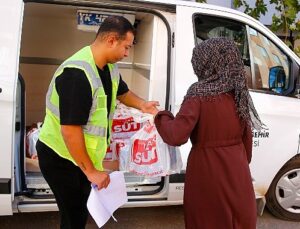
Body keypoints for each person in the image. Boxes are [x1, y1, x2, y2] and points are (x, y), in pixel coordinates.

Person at [36, 16, 158, 229]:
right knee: (73, 216)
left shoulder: (109, 67)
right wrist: (91, 172)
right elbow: (70, 131)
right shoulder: (78, 74)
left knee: (80, 211)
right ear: (111, 40)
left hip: (79, 157)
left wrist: (143, 105)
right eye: (126, 47)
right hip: (60, 157)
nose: (127, 54)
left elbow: (122, 92)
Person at [154, 38, 264, 229]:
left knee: (207, 220)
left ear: (205, 63)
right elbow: (247, 143)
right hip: (237, 169)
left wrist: (161, 116)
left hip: (206, 170)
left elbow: (175, 135)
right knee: (237, 219)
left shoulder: (199, 94)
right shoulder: (237, 91)